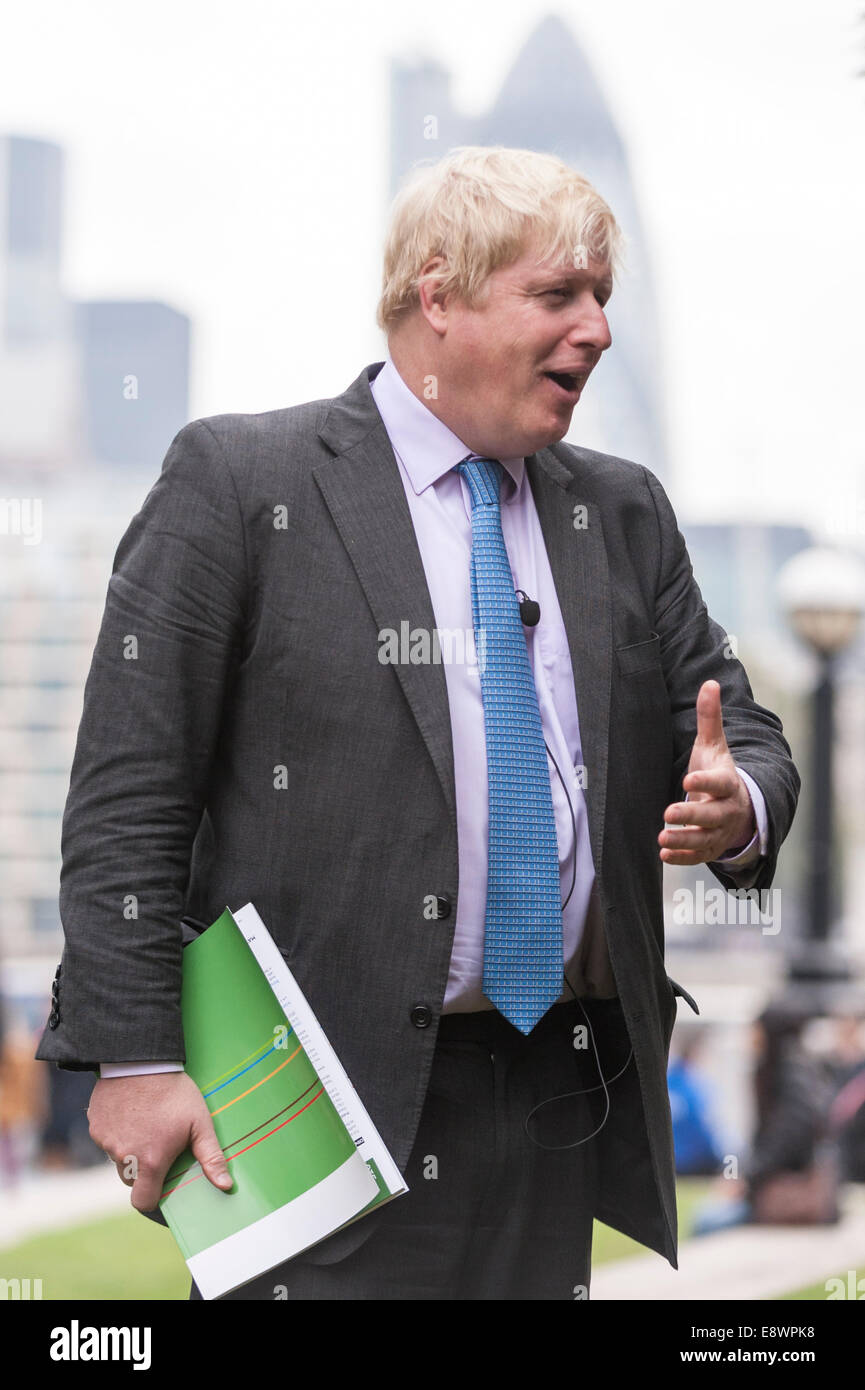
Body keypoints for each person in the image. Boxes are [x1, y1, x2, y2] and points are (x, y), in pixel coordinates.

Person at [35, 145, 800, 1300]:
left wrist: (735, 800)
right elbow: (128, 797)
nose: (595, 330)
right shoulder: (242, 484)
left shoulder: (625, 511)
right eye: (558, 295)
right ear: (436, 295)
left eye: (602, 299)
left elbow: (744, 734)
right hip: (308, 1112)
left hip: (557, 1094)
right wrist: (135, 1057)